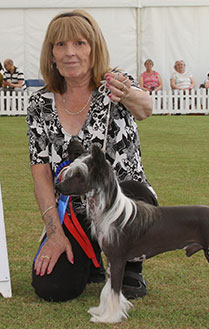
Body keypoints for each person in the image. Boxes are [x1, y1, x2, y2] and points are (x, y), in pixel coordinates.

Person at [26, 9, 158, 303]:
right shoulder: (39, 104)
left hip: (125, 200)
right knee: (52, 288)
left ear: (94, 48)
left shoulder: (115, 85)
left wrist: (127, 93)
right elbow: (41, 173)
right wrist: (55, 233)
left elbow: (146, 109)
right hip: (75, 209)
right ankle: (93, 261)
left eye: (80, 43)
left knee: (133, 191)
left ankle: (130, 265)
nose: (70, 52)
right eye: (60, 45)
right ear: (51, 54)